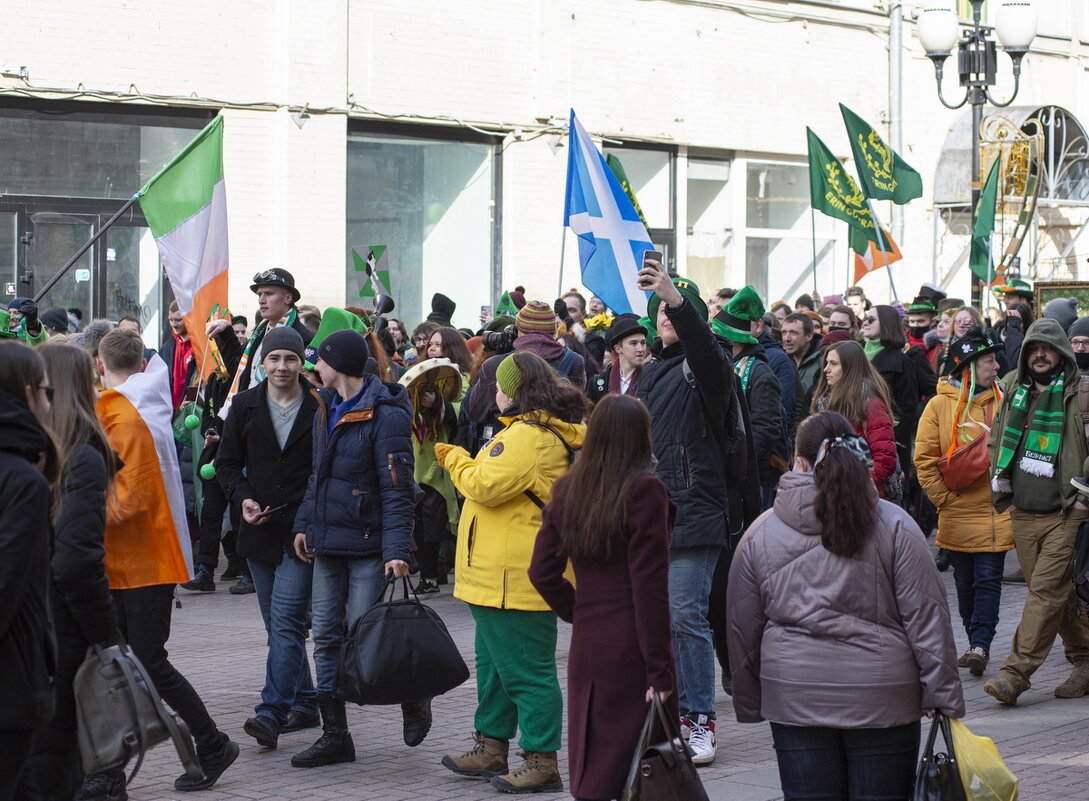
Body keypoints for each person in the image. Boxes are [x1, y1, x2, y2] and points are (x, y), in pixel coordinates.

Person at [727, 411, 965, 801]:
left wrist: (751, 700)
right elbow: (926, 618)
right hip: (883, 696)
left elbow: (742, 626)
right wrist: (942, 695)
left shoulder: (761, 532)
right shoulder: (896, 525)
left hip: (795, 695)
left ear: (799, 461)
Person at [91, 329, 238, 796]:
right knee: (124, 665)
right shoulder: (133, 405)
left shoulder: (125, 413)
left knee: (148, 663)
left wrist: (74, 510)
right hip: (132, 559)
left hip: (142, 560)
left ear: (98, 363)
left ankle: (212, 743)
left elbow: (129, 497)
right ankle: (114, 767)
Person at [437, 350, 587, 794]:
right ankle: (492, 746)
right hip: (498, 579)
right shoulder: (527, 432)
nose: (496, 393)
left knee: (526, 672)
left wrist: (453, 458)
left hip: (514, 580)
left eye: (501, 385)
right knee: (497, 670)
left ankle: (542, 759)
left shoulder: (527, 436)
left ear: (517, 392)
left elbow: (482, 484)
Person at [290, 329, 426, 767]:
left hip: (369, 545)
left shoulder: (386, 414)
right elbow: (318, 475)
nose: (314, 369)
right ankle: (336, 736)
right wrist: (305, 524)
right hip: (328, 542)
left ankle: (412, 694)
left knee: (366, 636)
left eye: (320, 361)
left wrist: (397, 550)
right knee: (327, 635)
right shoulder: (324, 407)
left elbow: (398, 489)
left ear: (340, 365)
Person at [528, 395, 675, 801]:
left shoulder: (568, 489)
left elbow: (541, 572)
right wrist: (660, 671)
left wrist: (579, 610)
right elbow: (650, 589)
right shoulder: (645, 491)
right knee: (646, 767)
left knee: (596, 760)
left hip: (589, 641)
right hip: (634, 643)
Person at [634, 262, 738, 766]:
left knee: (686, 615)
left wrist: (677, 297)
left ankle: (700, 720)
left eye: (675, 308)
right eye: (660, 309)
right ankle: (667, 716)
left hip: (695, 510)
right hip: (650, 515)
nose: (666, 314)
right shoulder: (648, 374)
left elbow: (706, 350)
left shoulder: (704, 365)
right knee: (654, 621)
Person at [216, 327, 321, 748]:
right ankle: (307, 701)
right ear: (262, 362)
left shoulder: (318, 404)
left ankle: (271, 711)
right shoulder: (244, 405)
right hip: (257, 532)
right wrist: (242, 499)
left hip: (300, 531)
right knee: (278, 626)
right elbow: (226, 465)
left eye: (290, 359)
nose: (282, 367)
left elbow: (324, 470)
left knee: (287, 622)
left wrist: (310, 519)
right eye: (275, 358)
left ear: (301, 363)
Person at [29, 344, 120, 801]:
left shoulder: (37, 450)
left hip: (32, 619)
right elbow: (77, 560)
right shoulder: (80, 454)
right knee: (56, 748)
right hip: (58, 625)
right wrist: (107, 634)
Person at [984, 317, 1089, 704]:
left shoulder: (1080, 392)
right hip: (1023, 512)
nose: (1040, 354)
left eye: (1047, 348)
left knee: (1045, 592)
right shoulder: (1012, 387)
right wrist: (1000, 480)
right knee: (1051, 593)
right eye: (1034, 348)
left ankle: (1014, 674)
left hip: (1066, 513)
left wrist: (1083, 500)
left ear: (1060, 352)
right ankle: (1085, 658)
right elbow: (997, 438)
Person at [914, 327, 1013, 677]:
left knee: (988, 580)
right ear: (969, 367)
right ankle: (974, 641)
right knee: (964, 585)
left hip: (996, 514)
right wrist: (944, 501)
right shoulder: (939, 406)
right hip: (956, 512)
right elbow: (924, 460)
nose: (997, 367)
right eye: (989, 361)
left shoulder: (1007, 402)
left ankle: (980, 645)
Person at [0, 342, 58, 801]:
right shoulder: (22, 481)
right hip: (10, 684)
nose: (49, 400)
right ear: (25, 394)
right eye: (44, 390)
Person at [713, 287, 785, 511]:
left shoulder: (760, 374)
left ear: (732, 340)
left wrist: (737, 462)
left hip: (749, 478)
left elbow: (765, 429)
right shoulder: (724, 368)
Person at [210, 268, 315, 407]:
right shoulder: (259, 332)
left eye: (268, 294)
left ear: (288, 298)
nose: (261, 300)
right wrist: (226, 333)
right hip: (249, 414)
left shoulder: (304, 337)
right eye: (259, 294)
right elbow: (237, 368)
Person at [810, 341, 897, 495]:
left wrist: (855, 486)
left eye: (833, 364)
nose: (825, 369)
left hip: (859, 496)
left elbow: (884, 460)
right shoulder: (824, 403)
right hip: (829, 492)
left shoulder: (871, 405)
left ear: (851, 368)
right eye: (826, 363)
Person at [586, 314, 647, 403]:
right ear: (618, 348)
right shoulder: (598, 382)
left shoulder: (653, 378)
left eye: (643, 343)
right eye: (633, 343)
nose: (640, 349)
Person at [782, 312, 822, 409]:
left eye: (793, 333)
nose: (787, 338)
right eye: (784, 332)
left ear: (809, 336)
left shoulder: (824, 360)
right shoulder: (781, 360)